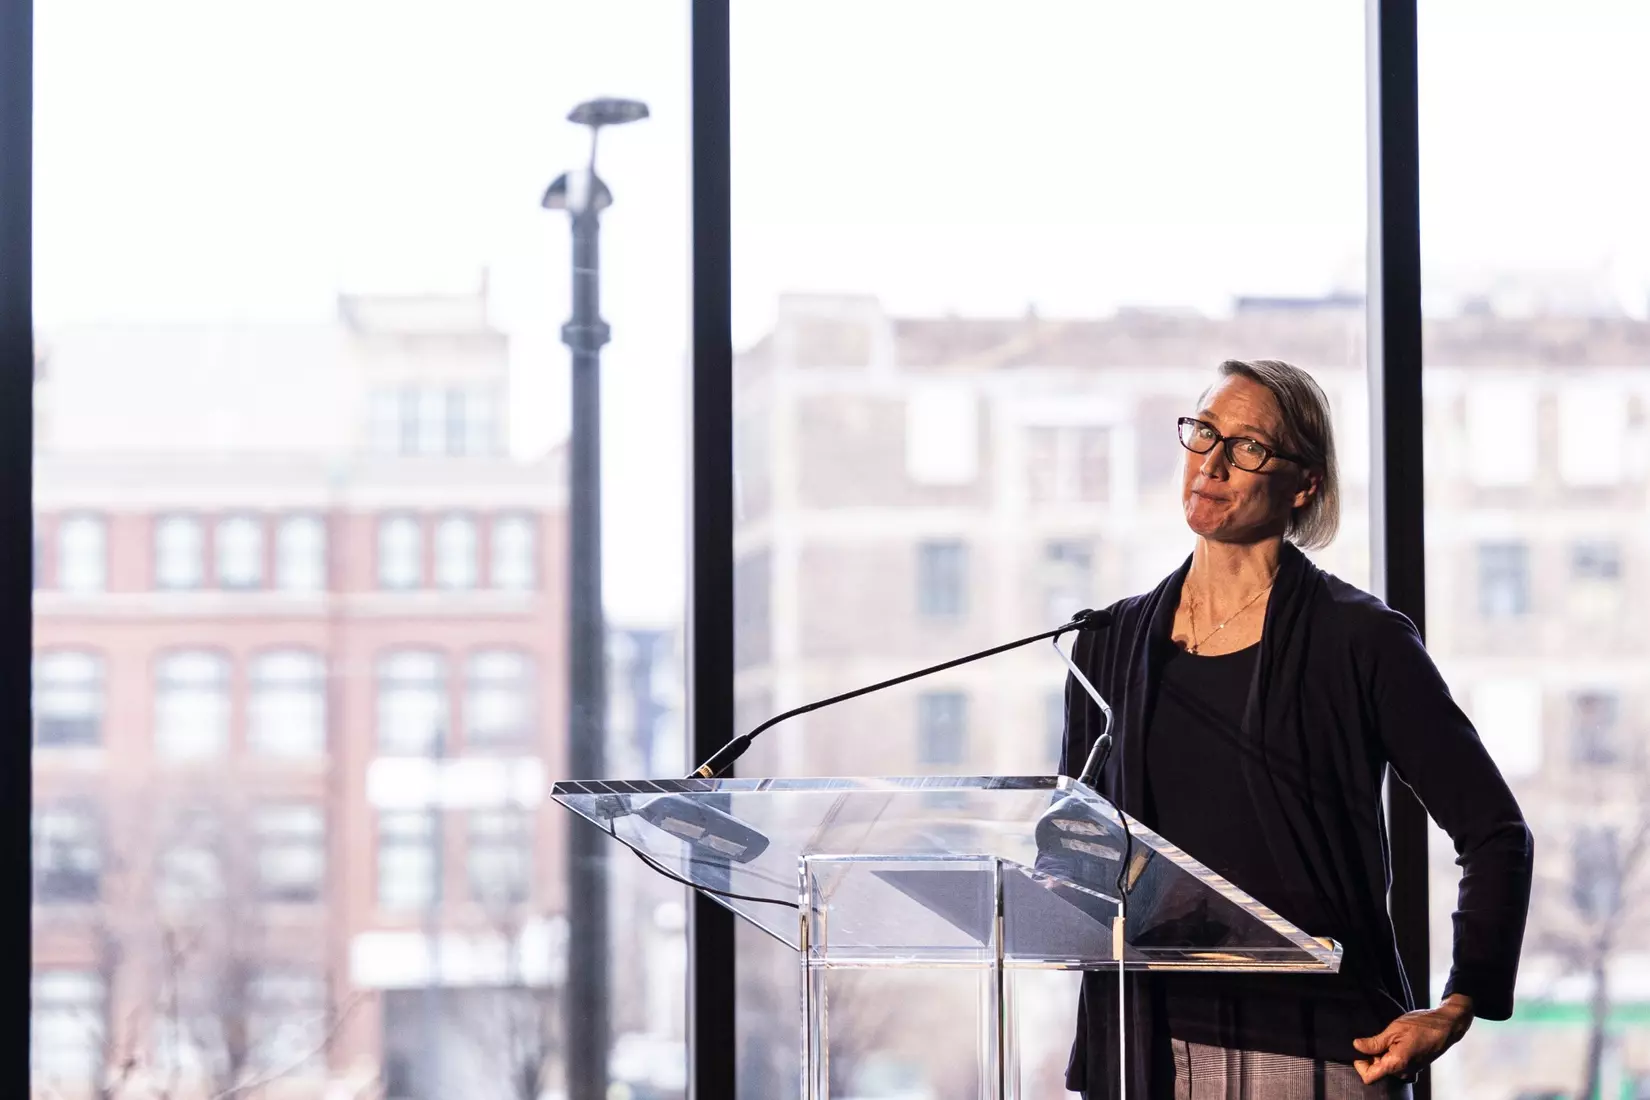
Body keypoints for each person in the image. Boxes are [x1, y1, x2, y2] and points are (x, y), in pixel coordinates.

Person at [1058, 359, 1533, 1100]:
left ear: (1303, 484)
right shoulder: (1107, 643)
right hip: (1140, 1051)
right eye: (1204, 433)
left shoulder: (1361, 640)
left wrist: (1460, 1001)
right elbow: (1077, 846)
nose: (1211, 463)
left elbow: (1496, 832)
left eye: (1247, 447)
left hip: (1315, 1049)